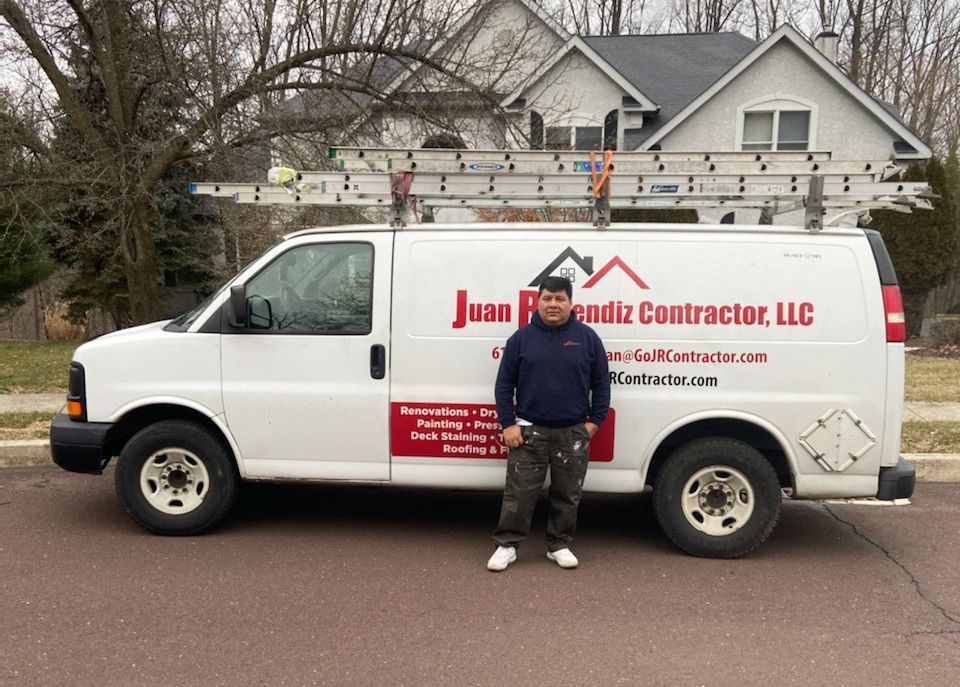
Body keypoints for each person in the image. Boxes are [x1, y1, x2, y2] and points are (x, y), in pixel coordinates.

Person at [487, 276, 610, 571]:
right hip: (529, 432)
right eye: (547, 298)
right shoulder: (521, 339)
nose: (553, 304)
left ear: (571, 303)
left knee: (568, 494)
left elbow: (601, 384)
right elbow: (504, 385)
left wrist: (594, 422)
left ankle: (559, 545)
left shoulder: (587, 337)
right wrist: (508, 423)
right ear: (538, 301)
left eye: (559, 299)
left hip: (573, 433)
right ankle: (508, 545)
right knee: (518, 494)